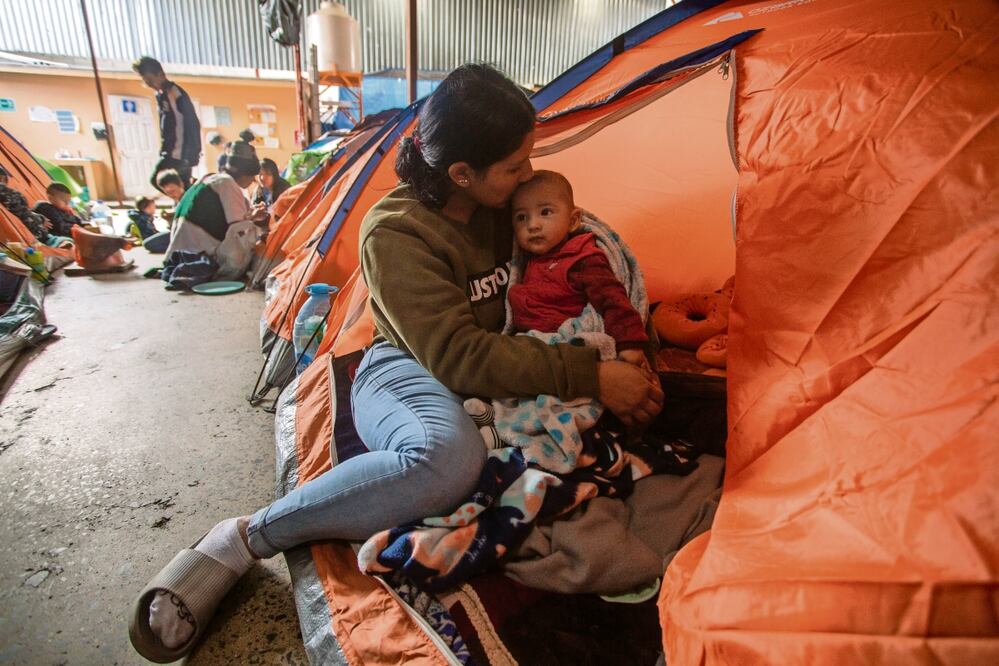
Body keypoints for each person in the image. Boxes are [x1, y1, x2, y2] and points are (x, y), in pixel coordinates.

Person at [130, 64, 663, 661]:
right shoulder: (395, 232)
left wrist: (631, 334)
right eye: (515, 165)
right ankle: (245, 538)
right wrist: (590, 374)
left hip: (507, 360)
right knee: (447, 459)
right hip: (409, 365)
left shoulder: (509, 206)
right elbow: (458, 355)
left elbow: (579, 254)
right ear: (462, 174)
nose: (528, 174)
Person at [508, 170, 649, 368]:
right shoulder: (527, 260)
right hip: (533, 349)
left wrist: (630, 343)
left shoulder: (581, 258)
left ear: (573, 220)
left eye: (545, 212)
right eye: (522, 217)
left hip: (570, 347)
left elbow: (613, 298)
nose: (532, 225)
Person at [163, 140, 268, 279]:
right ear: (244, 173)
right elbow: (238, 229)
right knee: (252, 235)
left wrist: (252, 215)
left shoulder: (211, 178)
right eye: (251, 176)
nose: (252, 181)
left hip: (177, 251)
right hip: (196, 255)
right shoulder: (227, 183)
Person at [132, 56, 201, 192]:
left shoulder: (175, 93)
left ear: (161, 74)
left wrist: (193, 153)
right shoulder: (161, 95)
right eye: (146, 81)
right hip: (169, 151)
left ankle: (192, 197)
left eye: (150, 80)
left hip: (181, 153)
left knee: (160, 181)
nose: (149, 84)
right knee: (178, 187)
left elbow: (192, 123)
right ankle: (184, 205)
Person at [0, 166, 56, 245]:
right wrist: (40, 219)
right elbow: (21, 213)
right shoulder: (8, 192)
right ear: (2, 179)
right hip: (27, 238)